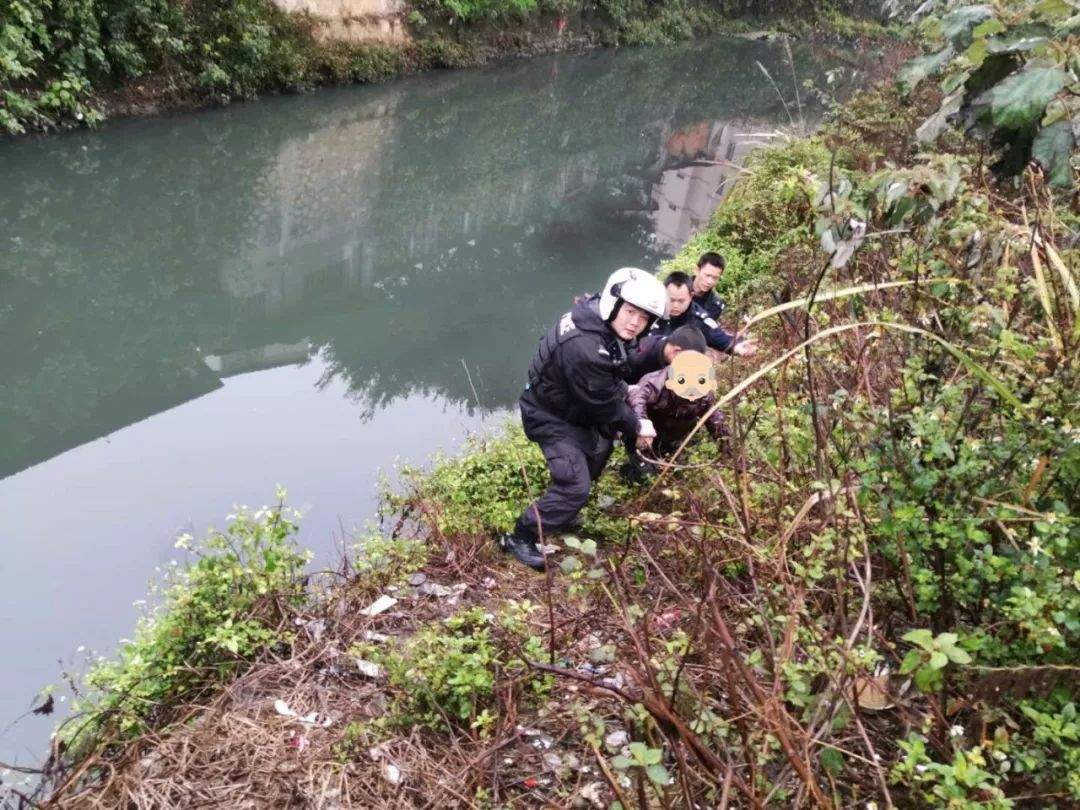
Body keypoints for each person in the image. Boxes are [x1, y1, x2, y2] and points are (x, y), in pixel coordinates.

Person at [501, 268, 668, 570]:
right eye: (630, 312)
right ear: (614, 304)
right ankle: (520, 536)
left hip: (574, 406)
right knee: (575, 485)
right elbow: (604, 405)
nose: (635, 323)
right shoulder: (585, 346)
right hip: (549, 416)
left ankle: (564, 508)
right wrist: (637, 425)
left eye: (644, 318)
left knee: (600, 449)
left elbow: (609, 376)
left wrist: (626, 389)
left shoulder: (597, 316)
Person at [623, 346, 727, 482]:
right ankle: (628, 474)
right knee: (647, 477)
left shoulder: (704, 392)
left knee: (678, 477)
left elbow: (714, 418)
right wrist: (642, 423)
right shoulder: (656, 382)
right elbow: (637, 397)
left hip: (674, 439)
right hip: (645, 437)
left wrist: (728, 448)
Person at [652, 270, 756, 357]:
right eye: (671, 300)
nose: (675, 305)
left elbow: (721, 339)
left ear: (691, 296)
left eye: (681, 301)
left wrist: (738, 347)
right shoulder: (651, 308)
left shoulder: (700, 320)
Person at [687, 252, 757, 357]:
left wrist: (735, 346)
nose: (709, 281)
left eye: (715, 278)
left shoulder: (715, 306)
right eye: (707, 275)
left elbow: (709, 333)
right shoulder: (677, 286)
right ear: (697, 270)